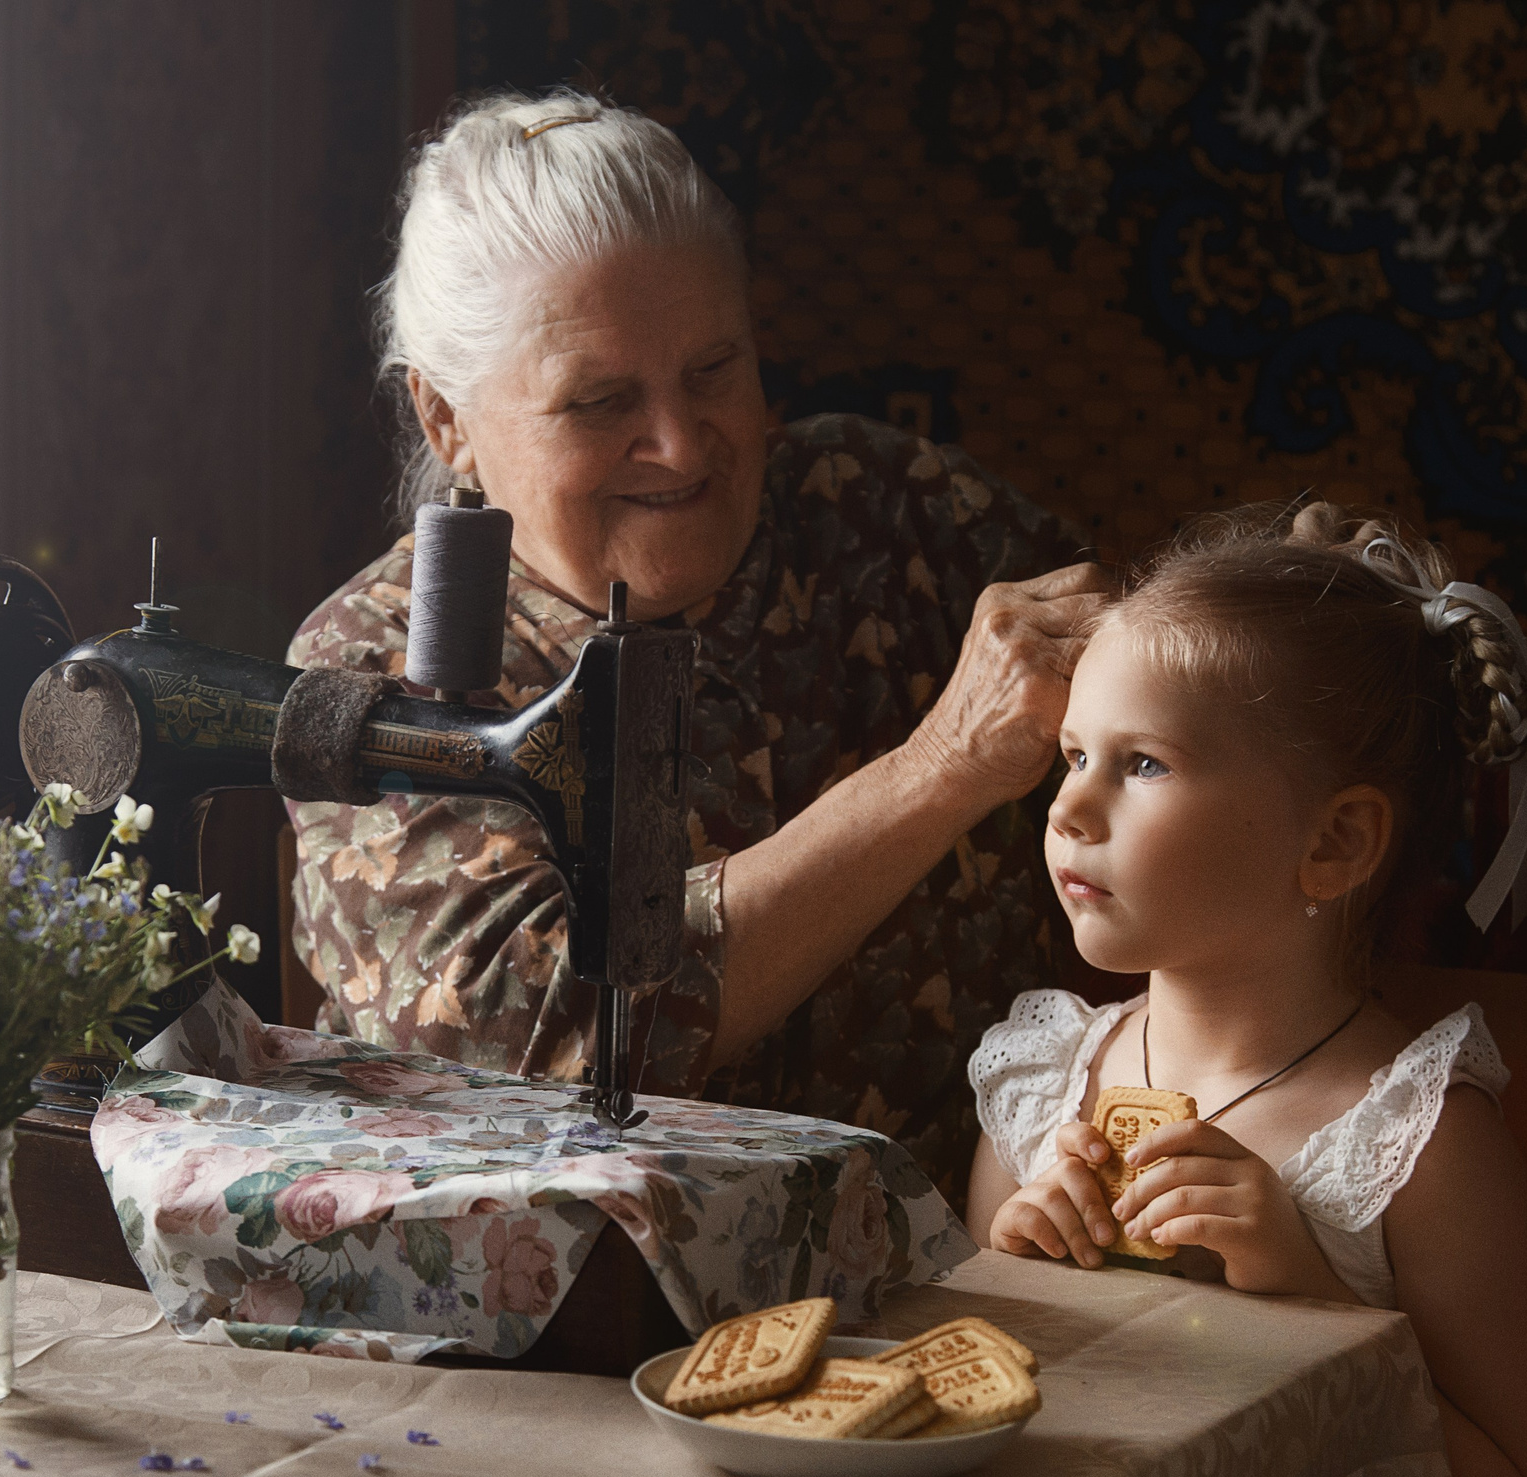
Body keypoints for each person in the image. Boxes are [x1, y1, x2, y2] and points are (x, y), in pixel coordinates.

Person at [287, 88, 1106, 1183]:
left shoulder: (894, 513)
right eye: (599, 401)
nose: (678, 444)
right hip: (584, 1322)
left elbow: (1185, 685)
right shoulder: (373, 667)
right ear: (447, 419)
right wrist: (939, 769)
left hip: (980, 1268)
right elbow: (537, 1035)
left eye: (714, 370)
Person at [964, 503, 1527, 1477]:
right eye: (1072, 754)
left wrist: (1316, 1301)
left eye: (1141, 764)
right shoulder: (1043, 1084)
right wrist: (1014, 1270)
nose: (1069, 808)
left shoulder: (1416, 1137)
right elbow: (1014, 1417)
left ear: (1335, 843)